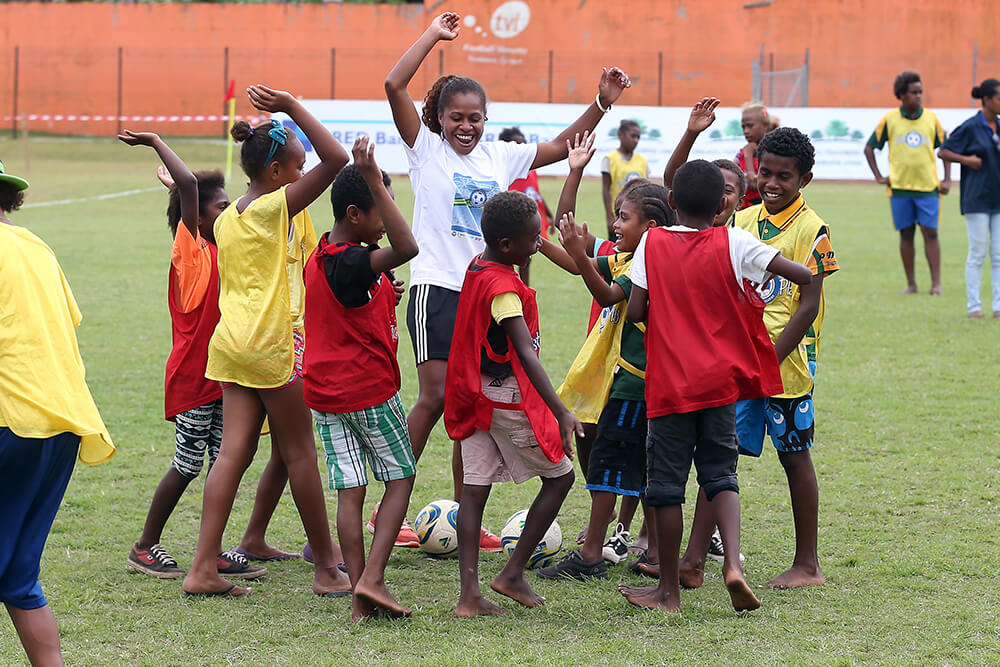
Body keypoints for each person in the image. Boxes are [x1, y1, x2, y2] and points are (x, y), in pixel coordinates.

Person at [384, 11, 629, 551]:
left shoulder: (501, 155)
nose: (466, 126)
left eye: (475, 117)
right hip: (438, 290)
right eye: (456, 118)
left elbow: (566, 145)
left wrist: (602, 103)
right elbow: (393, 83)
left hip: (488, 298)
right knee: (431, 399)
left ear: (486, 118)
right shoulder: (424, 150)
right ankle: (388, 509)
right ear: (440, 119)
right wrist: (432, 35)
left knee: (471, 405)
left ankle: (459, 513)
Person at [181, 85, 352, 598]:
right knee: (300, 453)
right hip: (273, 343)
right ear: (275, 174)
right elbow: (338, 159)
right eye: (297, 169)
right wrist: (293, 108)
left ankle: (201, 569)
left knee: (231, 454)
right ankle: (326, 568)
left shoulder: (229, 215)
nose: (303, 176)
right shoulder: (272, 208)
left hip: (231, 345)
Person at [620, 159, 812, 613]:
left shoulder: (653, 241)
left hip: (671, 386)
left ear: (671, 202)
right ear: (723, 204)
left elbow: (635, 311)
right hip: (721, 385)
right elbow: (802, 275)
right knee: (721, 475)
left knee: (666, 485)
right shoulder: (735, 240)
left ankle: (667, 591)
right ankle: (733, 568)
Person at [117, 132, 289, 581]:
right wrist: (158, 145)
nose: (227, 210)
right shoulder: (190, 252)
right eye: (220, 206)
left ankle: (206, 552)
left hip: (223, 374)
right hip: (194, 379)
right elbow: (192, 190)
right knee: (188, 463)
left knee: (223, 463)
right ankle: (144, 544)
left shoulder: (222, 246)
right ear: (192, 218)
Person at [443, 191, 584, 617]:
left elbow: (509, 277)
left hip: (473, 392)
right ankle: (512, 573)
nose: (539, 242)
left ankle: (470, 596)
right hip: (504, 397)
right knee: (561, 478)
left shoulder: (480, 265)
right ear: (508, 245)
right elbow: (523, 351)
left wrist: (525, 259)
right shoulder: (504, 292)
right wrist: (561, 410)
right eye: (533, 238)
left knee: (473, 491)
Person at [0, 159, 116, 664]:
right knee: (17, 576)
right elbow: (67, 320)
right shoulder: (36, 247)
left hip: (10, 420)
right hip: (61, 423)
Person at [303, 136, 419, 621]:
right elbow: (407, 245)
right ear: (356, 214)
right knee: (400, 477)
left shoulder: (323, 255)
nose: (388, 216)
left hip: (324, 393)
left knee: (351, 492)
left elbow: (348, 303)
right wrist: (374, 177)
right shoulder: (353, 261)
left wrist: (381, 288)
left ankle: (359, 599)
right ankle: (372, 577)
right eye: (382, 207)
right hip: (367, 390)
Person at [537, 183, 674, 581]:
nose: (614, 224)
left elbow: (609, 295)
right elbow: (579, 264)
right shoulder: (631, 255)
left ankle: (592, 554)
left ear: (650, 225)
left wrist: (580, 255)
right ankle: (655, 552)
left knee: (607, 466)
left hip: (635, 386)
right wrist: (543, 245)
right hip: (632, 384)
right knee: (645, 470)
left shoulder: (643, 265)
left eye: (623, 217)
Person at [734, 127, 840, 589]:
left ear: (805, 179)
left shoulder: (812, 229)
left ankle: (808, 564)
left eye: (784, 176)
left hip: (787, 362)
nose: (771, 183)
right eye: (765, 173)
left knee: (794, 456)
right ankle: (702, 554)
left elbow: (809, 304)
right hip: (737, 360)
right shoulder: (742, 220)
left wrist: (770, 359)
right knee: (720, 454)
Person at [864, 71, 949, 296]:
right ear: (901, 95)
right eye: (913, 92)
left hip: (928, 188)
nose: (918, 96)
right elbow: (869, 147)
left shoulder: (931, 119)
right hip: (900, 189)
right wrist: (879, 176)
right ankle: (911, 284)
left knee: (931, 233)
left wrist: (947, 179)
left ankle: (936, 284)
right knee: (906, 234)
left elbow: (946, 150)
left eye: (920, 92)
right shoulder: (890, 120)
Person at [938, 78, 1000, 318]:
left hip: (998, 199)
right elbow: (943, 150)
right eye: (998, 98)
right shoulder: (971, 126)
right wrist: (967, 160)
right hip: (977, 199)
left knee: (998, 255)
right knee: (977, 253)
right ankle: (974, 306)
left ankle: (997, 306)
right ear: (985, 100)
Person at [664, 97, 748, 227]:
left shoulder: (739, 239)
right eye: (713, 188)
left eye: (727, 190)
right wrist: (691, 133)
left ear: (740, 202)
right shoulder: (686, 226)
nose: (718, 196)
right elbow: (673, 180)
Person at [499, 126, 554, 286]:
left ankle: (524, 289)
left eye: (524, 144)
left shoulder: (532, 170)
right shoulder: (505, 170)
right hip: (510, 222)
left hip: (528, 221)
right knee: (506, 259)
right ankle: (507, 287)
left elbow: (536, 194)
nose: (522, 148)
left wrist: (549, 215)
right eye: (517, 144)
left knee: (526, 258)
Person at [601, 119, 649, 237]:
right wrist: (609, 216)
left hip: (639, 215)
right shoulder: (610, 158)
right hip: (619, 215)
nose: (636, 140)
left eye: (638, 137)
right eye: (632, 136)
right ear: (620, 135)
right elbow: (606, 190)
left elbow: (647, 188)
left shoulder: (642, 160)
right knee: (616, 250)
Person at [736, 102, 776, 210]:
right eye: (743, 127)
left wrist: (748, 156)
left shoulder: (773, 152)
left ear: (765, 125)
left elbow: (755, 185)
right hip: (743, 210)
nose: (746, 131)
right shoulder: (741, 153)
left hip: (763, 211)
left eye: (750, 126)